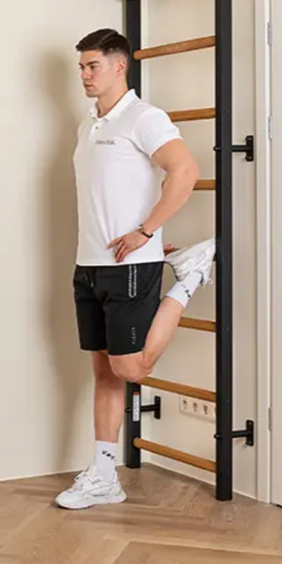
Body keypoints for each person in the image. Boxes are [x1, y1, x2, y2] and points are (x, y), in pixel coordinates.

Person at [56, 27, 216, 510]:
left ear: (119, 65)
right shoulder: (90, 125)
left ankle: (190, 277)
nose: (84, 75)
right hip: (89, 265)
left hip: (130, 264)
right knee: (104, 372)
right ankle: (104, 475)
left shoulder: (144, 118)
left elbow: (185, 171)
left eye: (93, 66)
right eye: (81, 67)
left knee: (133, 368)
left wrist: (147, 231)